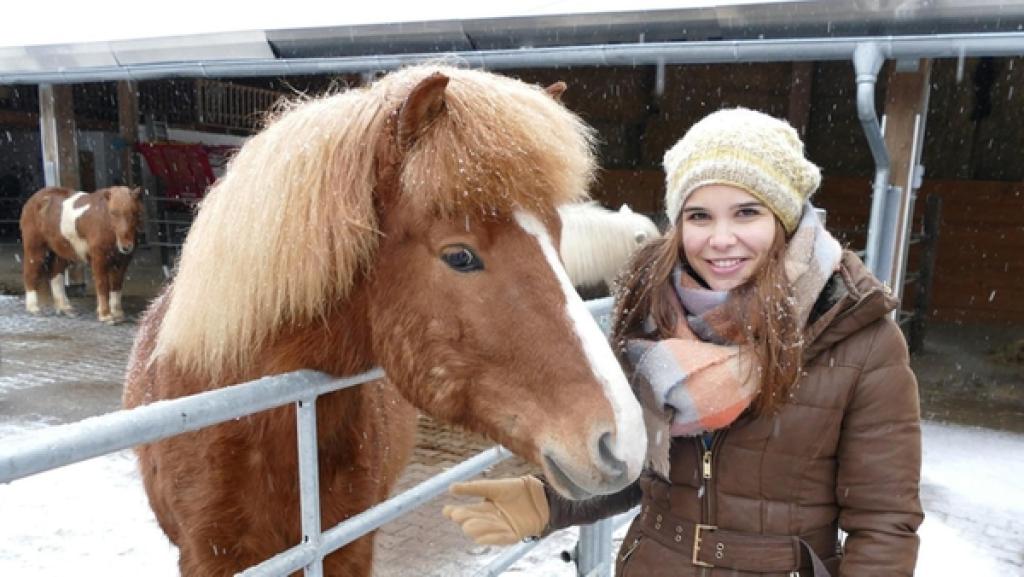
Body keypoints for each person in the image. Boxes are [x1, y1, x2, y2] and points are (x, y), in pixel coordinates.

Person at [443, 107, 923, 576]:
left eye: (746, 213)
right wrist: (546, 503)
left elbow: (884, 522)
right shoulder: (648, 319)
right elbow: (644, 469)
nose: (720, 239)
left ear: (784, 216)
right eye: (699, 216)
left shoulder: (858, 337)